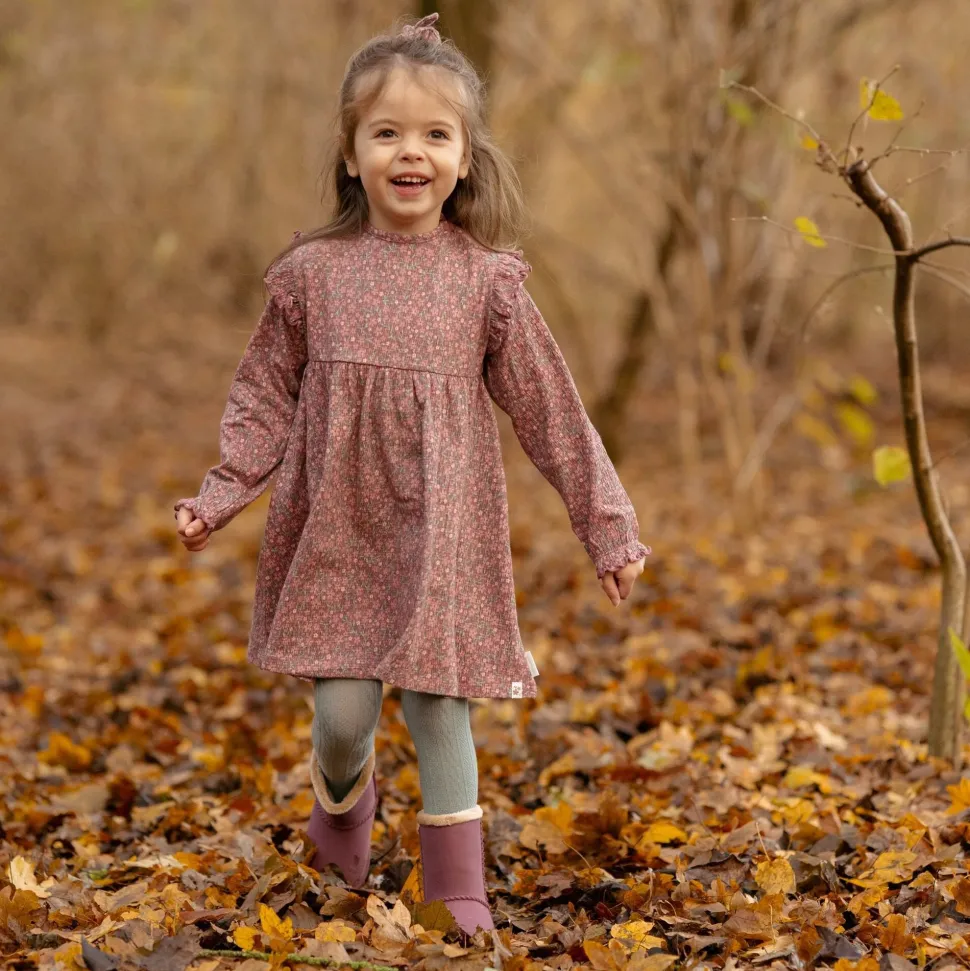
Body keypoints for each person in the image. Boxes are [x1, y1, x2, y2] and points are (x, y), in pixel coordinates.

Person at [173, 12, 649, 936]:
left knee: (440, 701)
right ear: (351, 155)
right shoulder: (312, 275)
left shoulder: (488, 284)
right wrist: (222, 492)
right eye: (386, 132)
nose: (411, 152)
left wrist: (608, 526)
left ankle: (457, 887)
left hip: (445, 531)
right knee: (345, 716)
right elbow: (264, 394)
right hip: (340, 528)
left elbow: (553, 411)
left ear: (466, 158)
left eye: (436, 134)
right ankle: (343, 800)